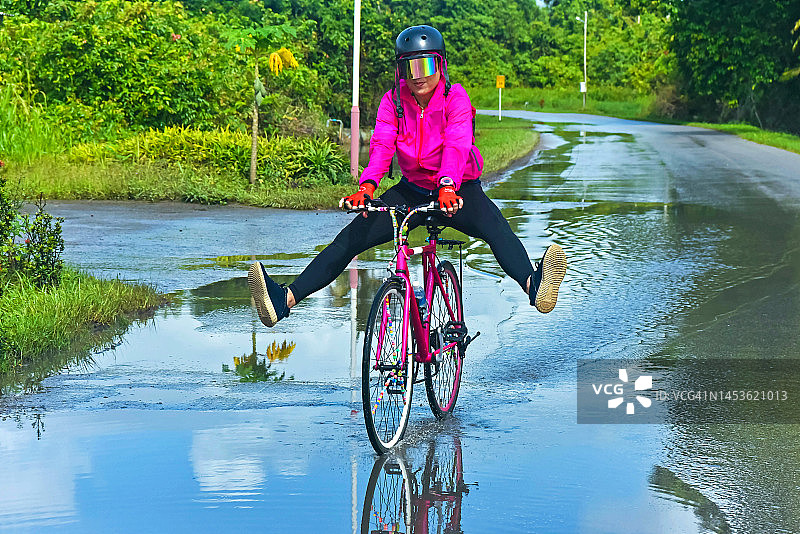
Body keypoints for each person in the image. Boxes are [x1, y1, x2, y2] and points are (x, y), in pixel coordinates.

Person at [248, 24, 566, 327]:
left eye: (425, 65)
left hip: (457, 189)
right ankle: (283, 300)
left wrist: (447, 186)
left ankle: (534, 285)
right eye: (409, 67)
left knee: (496, 229)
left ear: (440, 64)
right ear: (400, 70)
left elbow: (457, 145)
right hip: (411, 191)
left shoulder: (456, 98)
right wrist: (368, 187)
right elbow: (383, 145)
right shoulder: (394, 101)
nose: (418, 76)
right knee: (350, 239)